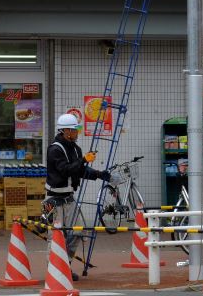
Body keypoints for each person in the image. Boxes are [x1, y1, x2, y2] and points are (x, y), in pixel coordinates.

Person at [44, 113, 118, 281]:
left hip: (69, 198)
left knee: (78, 231)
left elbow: (79, 170)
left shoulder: (76, 149)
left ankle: (65, 265)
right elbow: (65, 170)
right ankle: (53, 270)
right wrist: (83, 160)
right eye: (74, 129)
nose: (77, 132)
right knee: (55, 236)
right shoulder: (54, 149)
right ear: (65, 131)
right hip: (53, 200)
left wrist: (99, 174)